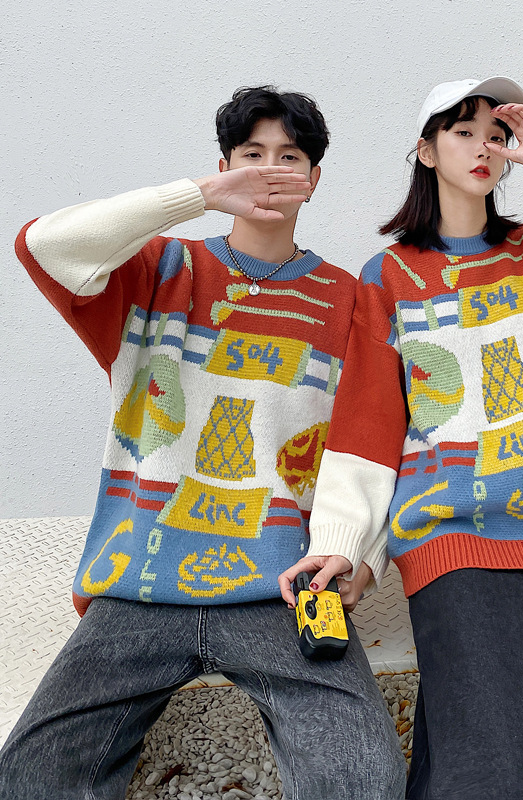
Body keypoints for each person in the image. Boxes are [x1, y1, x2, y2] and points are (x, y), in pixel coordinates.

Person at [1, 85, 405, 800]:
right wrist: (198, 197)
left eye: (290, 157)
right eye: (252, 155)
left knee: (362, 775)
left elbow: (369, 435)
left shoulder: (349, 300)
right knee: (32, 773)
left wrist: (361, 553)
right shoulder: (158, 272)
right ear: (224, 166)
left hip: (280, 587)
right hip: (140, 582)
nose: (270, 170)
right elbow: (44, 245)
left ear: (314, 179)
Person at [279, 76, 523, 799]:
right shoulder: (389, 277)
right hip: (449, 529)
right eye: (462, 132)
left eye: (497, 134)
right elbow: (368, 423)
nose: (483, 146)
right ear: (426, 151)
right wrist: (343, 542)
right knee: (481, 738)